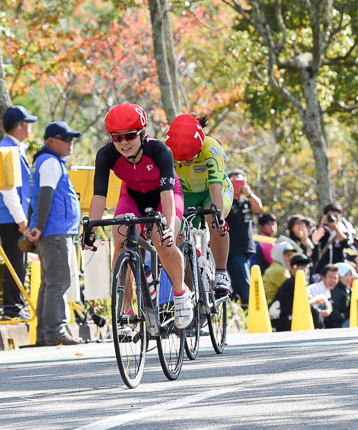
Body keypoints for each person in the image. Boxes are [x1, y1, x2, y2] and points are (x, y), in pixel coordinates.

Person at [84, 103, 192, 329]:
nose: (123, 143)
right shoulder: (105, 155)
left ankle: (181, 293)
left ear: (142, 134)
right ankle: (126, 310)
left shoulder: (160, 152)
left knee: (161, 238)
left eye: (129, 136)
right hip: (132, 196)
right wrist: (90, 229)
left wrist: (170, 227)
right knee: (120, 236)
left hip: (166, 197)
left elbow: (167, 196)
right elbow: (99, 198)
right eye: (117, 138)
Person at [26, 121, 84, 345]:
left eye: (71, 139)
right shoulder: (50, 162)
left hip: (53, 230)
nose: (70, 143)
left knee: (49, 282)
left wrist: (37, 226)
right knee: (59, 281)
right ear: (51, 141)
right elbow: (45, 196)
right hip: (55, 230)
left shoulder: (46, 160)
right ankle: (56, 331)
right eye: (65, 139)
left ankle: (45, 333)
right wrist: (40, 226)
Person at [164, 113, 234, 293]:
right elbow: (168, 190)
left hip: (213, 190)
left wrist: (217, 215)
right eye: (182, 161)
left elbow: (215, 188)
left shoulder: (211, 148)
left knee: (214, 214)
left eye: (191, 158)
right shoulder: (167, 152)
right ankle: (189, 291)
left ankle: (221, 272)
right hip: (186, 193)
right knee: (176, 235)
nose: (187, 163)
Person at [0, 105, 37, 320]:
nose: (30, 128)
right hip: (10, 218)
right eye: (27, 123)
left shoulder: (15, 148)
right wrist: (21, 221)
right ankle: (11, 309)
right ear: (19, 126)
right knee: (15, 262)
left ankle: (16, 306)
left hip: (14, 217)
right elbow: (8, 190)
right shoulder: (7, 150)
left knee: (19, 262)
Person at [226, 169, 262, 310]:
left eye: (241, 180)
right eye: (235, 181)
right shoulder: (227, 201)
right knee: (244, 283)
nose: (238, 184)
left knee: (245, 281)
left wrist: (249, 194)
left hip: (247, 248)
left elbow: (258, 209)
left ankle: (246, 310)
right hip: (233, 249)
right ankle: (249, 311)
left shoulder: (247, 201)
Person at [268, 253, 312, 332]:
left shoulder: (296, 282)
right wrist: (317, 299)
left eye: (306, 267)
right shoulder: (292, 283)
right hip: (281, 319)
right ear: (293, 268)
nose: (304, 270)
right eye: (301, 267)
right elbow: (304, 303)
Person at [311, 202, 354, 276]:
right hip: (321, 271)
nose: (333, 218)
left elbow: (346, 245)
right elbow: (314, 242)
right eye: (330, 215)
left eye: (336, 216)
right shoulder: (317, 229)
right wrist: (322, 224)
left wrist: (336, 229)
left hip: (339, 272)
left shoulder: (345, 230)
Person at [262, 237, 297, 304]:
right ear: (279, 255)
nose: (291, 258)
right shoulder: (280, 270)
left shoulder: (276, 267)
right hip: (272, 308)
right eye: (287, 255)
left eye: (291, 255)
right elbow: (294, 290)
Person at [324, 262, 358, 328]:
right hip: (337, 326)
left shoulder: (348, 290)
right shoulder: (335, 291)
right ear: (339, 276)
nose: (349, 278)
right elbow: (335, 316)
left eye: (350, 275)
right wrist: (350, 313)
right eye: (346, 275)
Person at [306, 264, 339, 329]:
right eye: (330, 277)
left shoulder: (328, 291)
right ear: (323, 277)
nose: (333, 280)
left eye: (335, 278)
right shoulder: (315, 288)